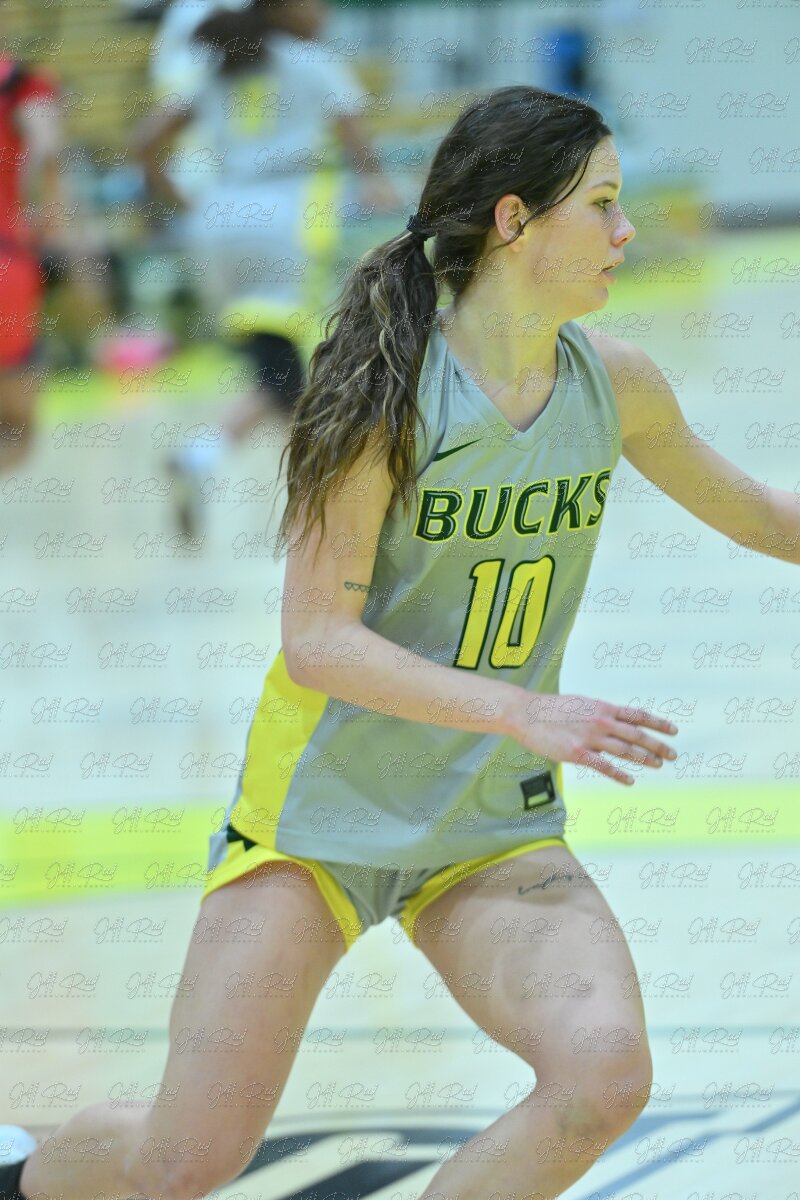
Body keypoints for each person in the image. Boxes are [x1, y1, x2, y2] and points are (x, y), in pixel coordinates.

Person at [4, 82, 799, 1200]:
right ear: (515, 220)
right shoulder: (385, 391)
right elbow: (317, 642)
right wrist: (523, 709)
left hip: (486, 823)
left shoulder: (613, 385)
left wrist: (514, 727)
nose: (626, 231)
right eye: (601, 204)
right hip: (317, 818)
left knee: (603, 1077)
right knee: (185, 1162)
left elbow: (760, 516)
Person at [136, 0, 400, 535]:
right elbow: (355, 136)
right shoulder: (311, 60)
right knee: (294, 366)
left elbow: (145, 145)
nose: (323, 10)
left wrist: (184, 205)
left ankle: (311, 490)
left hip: (217, 220)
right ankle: (205, 457)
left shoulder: (218, 66)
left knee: (278, 368)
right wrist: (375, 181)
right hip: (288, 217)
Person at [0, 52, 66, 471]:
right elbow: (47, 149)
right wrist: (50, 219)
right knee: (17, 428)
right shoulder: (18, 80)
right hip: (8, 260)